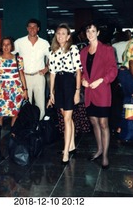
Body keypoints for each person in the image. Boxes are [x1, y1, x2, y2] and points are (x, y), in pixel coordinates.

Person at [80, 21, 118, 169]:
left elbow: (113, 70)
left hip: (102, 91)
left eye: (93, 31)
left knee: (103, 124)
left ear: (98, 33)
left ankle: (105, 155)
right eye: (88, 31)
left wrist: (102, 80)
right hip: (89, 92)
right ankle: (99, 149)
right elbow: (82, 71)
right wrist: (83, 79)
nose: (90, 34)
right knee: (94, 122)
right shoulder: (83, 52)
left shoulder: (107, 50)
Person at [47, 23, 82, 165]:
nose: (60, 36)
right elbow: (52, 73)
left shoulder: (73, 49)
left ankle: (66, 151)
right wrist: (51, 93)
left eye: (63, 34)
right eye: (58, 33)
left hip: (69, 82)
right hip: (59, 83)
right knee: (65, 115)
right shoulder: (52, 51)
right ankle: (72, 145)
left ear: (68, 37)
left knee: (67, 118)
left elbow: (78, 71)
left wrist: (77, 91)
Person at [14, 18, 50, 120]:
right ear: (27, 28)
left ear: (38, 29)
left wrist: (46, 68)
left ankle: (39, 126)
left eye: (34, 27)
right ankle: (27, 127)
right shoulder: (19, 42)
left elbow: (51, 57)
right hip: (24, 78)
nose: (32, 29)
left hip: (39, 76)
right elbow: (11, 55)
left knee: (40, 103)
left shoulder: (44, 43)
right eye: (30, 27)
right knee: (25, 104)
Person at [0, 37, 28, 130]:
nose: (6, 46)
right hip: (2, 91)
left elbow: (22, 76)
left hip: (16, 90)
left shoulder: (18, 59)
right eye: (4, 44)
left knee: (15, 114)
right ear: (1, 46)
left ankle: (13, 135)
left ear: (12, 46)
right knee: (0, 114)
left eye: (8, 44)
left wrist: (25, 90)